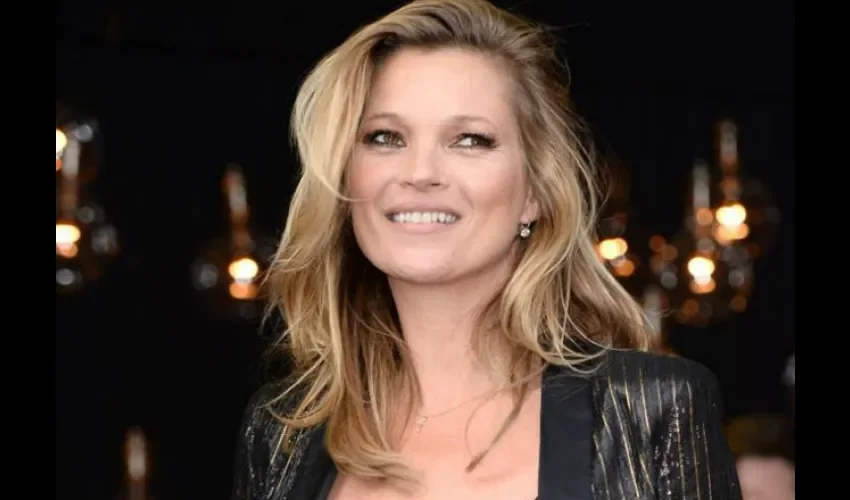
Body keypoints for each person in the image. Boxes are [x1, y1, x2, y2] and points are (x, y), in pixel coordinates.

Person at [230, 0, 742, 498]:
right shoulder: (283, 432)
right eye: (385, 137)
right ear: (345, 178)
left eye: (470, 140)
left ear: (535, 191)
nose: (420, 172)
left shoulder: (650, 409)